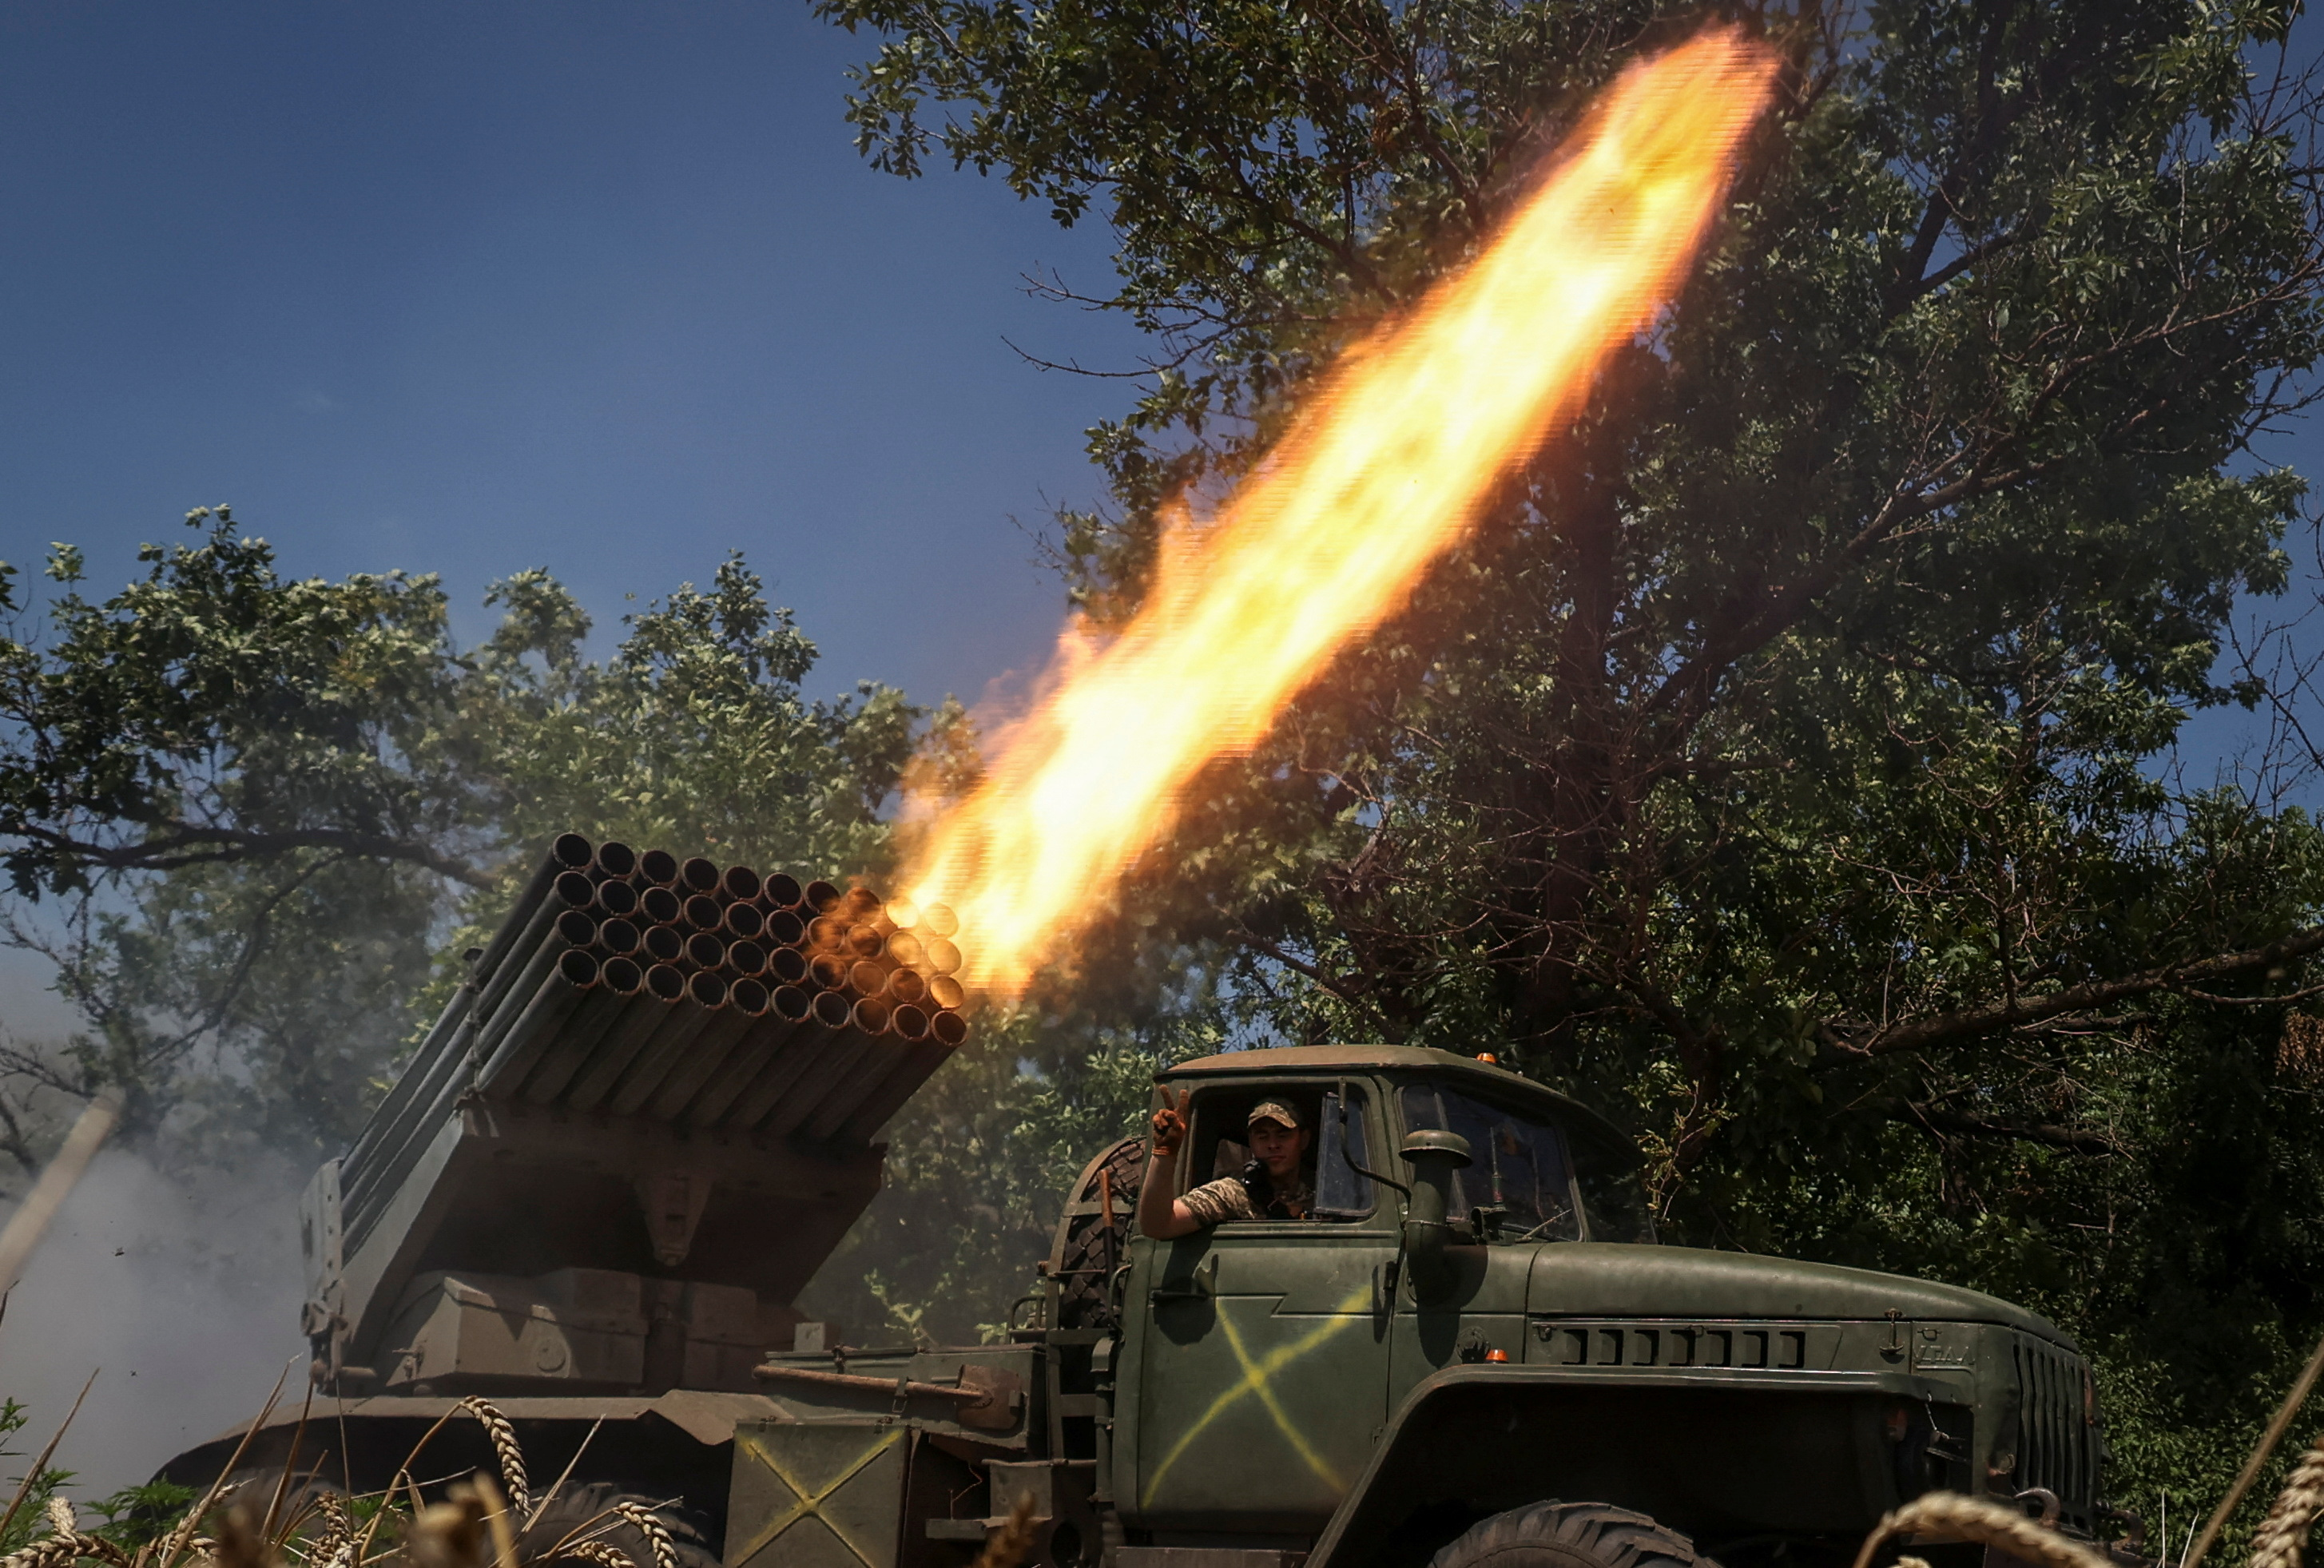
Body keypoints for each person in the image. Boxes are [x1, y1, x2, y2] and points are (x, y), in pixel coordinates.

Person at [1138, 1091, 1317, 1237]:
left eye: (1283, 1135)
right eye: (1262, 1136)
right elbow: (1158, 1227)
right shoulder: (1233, 1193)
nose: (1272, 1144)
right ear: (1251, 1143)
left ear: (1303, 1140)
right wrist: (1164, 1153)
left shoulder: (1327, 1191)